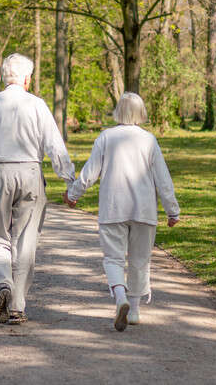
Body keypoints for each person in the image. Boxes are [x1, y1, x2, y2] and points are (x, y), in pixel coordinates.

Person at [0, 53, 76, 325]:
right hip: (30, 172)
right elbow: (54, 145)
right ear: (27, 78)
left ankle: (2, 284)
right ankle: (17, 306)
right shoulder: (37, 105)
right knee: (25, 241)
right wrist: (70, 180)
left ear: (4, 77)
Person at [64, 92, 180, 331]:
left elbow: (90, 172)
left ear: (118, 111)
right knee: (140, 260)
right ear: (141, 113)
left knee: (113, 258)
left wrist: (73, 194)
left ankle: (120, 298)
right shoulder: (149, 140)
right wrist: (172, 210)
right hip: (144, 209)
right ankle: (135, 311)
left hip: (113, 208)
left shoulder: (106, 136)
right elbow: (163, 178)